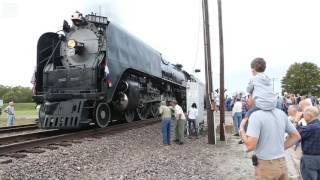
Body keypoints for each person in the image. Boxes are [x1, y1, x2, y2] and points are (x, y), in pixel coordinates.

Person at [239, 97, 301, 180]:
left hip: (266, 165)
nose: (246, 100)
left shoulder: (256, 116)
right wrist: (280, 148)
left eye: (249, 97)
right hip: (281, 162)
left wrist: (241, 130)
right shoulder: (281, 113)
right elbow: (296, 136)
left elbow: (250, 146)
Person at [296, 106, 320, 180]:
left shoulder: (310, 128)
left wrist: (296, 120)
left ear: (309, 115)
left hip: (310, 158)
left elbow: (295, 134)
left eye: (304, 114)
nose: (303, 116)